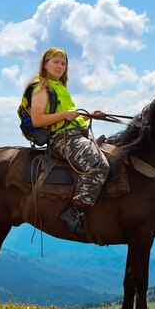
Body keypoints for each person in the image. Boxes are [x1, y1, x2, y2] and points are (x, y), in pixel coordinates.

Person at [28, 47, 109, 238]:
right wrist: (65, 114)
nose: (60, 66)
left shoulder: (61, 88)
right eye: (55, 62)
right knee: (98, 165)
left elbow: (68, 115)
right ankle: (74, 211)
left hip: (75, 133)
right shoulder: (41, 88)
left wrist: (90, 115)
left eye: (63, 63)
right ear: (45, 63)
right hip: (62, 138)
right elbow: (37, 119)